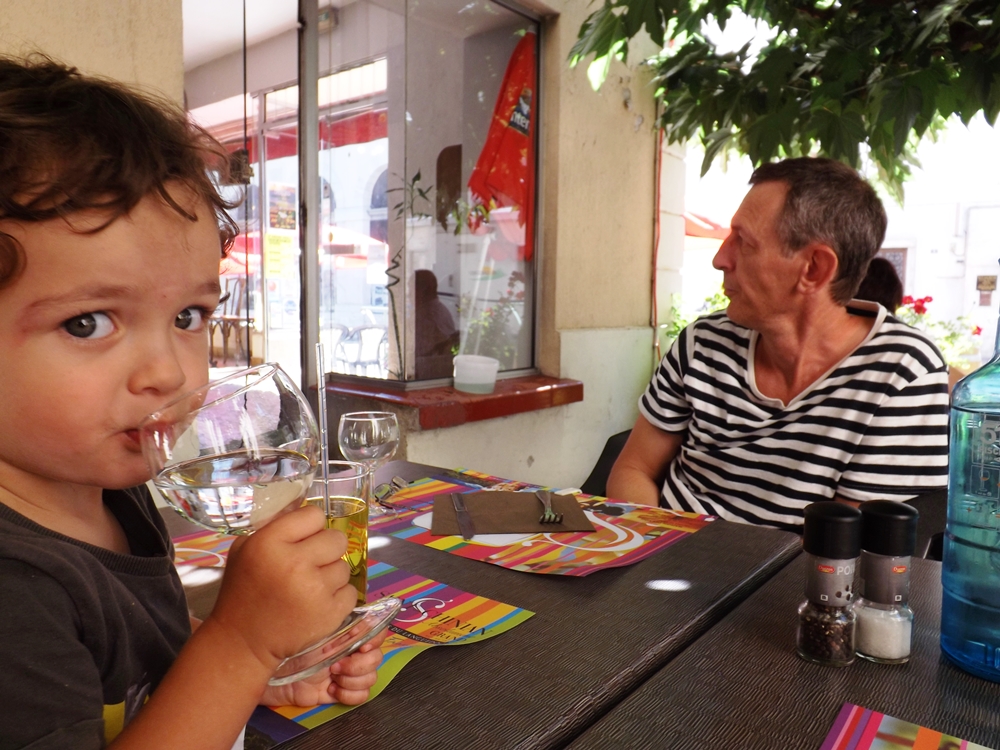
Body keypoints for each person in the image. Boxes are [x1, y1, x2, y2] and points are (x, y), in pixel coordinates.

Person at [0, 56, 384, 749]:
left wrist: (255, 668)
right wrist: (240, 645)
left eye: (189, 317)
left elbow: (134, 663)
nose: (169, 373)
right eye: (87, 322)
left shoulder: (110, 494)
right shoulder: (16, 590)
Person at [608, 157, 949, 532]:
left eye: (744, 242)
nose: (720, 259)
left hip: (787, 570)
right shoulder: (703, 342)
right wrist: (648, 548)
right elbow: (634, 468)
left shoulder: (902, 372)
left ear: (814, 268)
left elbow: (845, 548)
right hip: (665, 550)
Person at [415, 269, 459, 378]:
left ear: (422, 290)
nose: (408, 294)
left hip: (428, 376)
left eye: (411, 288)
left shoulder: (428, 315)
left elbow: (420, 352)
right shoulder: (438, 309)